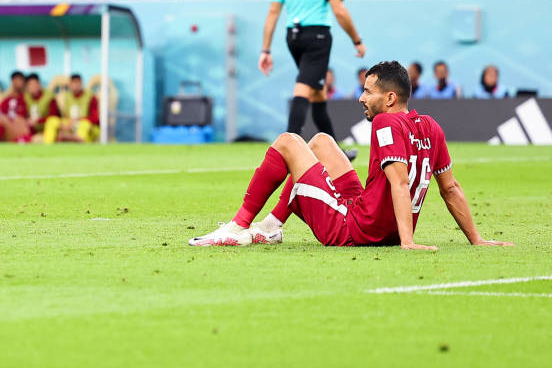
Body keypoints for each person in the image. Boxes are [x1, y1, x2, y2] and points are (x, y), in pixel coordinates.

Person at [189, 60, 512, 249]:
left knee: (288, 141)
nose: (361, 98)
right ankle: (271, 226)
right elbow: (450, 188)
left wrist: (407, 242)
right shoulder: (430, 127)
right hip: (373, 218)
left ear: (388, 98)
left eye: (368, 91)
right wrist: (477, 240)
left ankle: (236, 229)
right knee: (321, 142)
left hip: (355, 229)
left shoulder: (385, 123)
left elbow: (399, 184)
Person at [259, 0, 366, 148]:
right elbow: (339, 10)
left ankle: (336, 152)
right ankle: (288, 150)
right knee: (304, 88)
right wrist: (357, 39)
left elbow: (272, 13)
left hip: (293, 37)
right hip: (317, 36)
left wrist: (266, 50)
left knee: (318, 93)